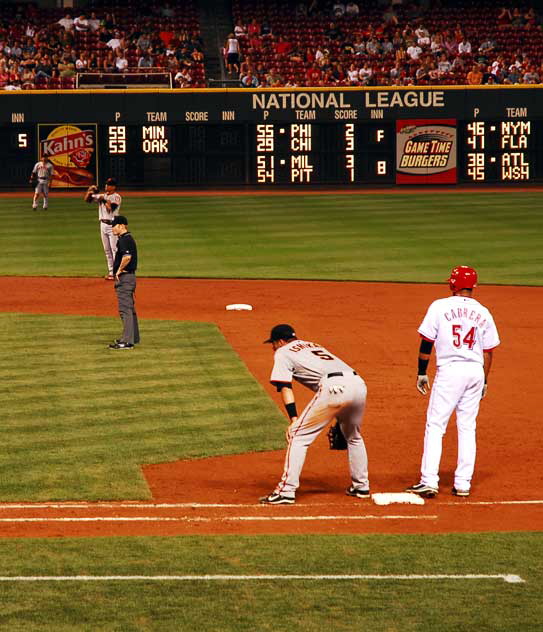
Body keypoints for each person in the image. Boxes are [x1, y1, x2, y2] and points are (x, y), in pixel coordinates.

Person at [406, 266, 500, 499]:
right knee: (467, 427)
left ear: (453, 285)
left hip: (450, 372)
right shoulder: (484, 312)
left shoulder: (440, 306)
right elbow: (488, 351)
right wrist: (485, 380)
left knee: (436, 425)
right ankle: (463, 484)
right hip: (475, 372)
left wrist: (421, 372)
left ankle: (429, 481)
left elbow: (427, 342)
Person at [260, 324, 370, 505]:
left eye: (273, 343)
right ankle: (361, 486)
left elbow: (284, 386)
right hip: (358, 384)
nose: (273, 347)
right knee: (353, 436)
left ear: (280, 341)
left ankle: (286, 491)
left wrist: (294, 419)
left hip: (335, 388)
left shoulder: (282, 351)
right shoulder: (313, 345)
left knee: (298, 435)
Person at [109, 215, 139, 350]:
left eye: (114, 225)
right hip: (130, 278)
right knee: (130, 309)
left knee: (125, 309)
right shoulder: (127, 238)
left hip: (126, 278)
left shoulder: (124, 240)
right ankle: (133, 337)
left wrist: (118, 271)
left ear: (121, 225)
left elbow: (127, 257)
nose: (112, 228)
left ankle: (127, 341)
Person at [84, 177, 122, 280]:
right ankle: (111, 272)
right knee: (107, 250)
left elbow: (110, 209)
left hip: (112, 225)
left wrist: (104, 199)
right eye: (106, 184)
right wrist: (90, 190)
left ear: (113, 187)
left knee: (115, 249)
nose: (106, 186)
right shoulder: (102, 195)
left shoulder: (117, 197)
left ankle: (118, 272)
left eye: (109, 184)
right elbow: (87, 200)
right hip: (103, 225)